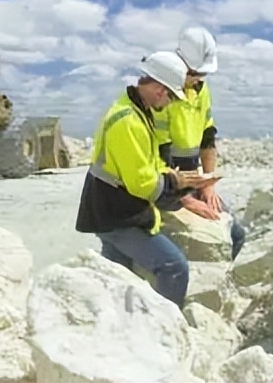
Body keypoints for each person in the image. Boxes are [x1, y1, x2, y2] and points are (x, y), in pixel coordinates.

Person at [75, 51, 211, 308]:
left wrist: (171, 173)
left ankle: (119, 329)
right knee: (174, 267)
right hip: (116, 214)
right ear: (160, 90)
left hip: (110, 208)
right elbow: (143, 184)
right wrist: (179, 186)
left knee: (117, 280)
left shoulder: (136, 111)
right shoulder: (128, 121)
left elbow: (147, 163)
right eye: (171, 96)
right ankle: (164, 332)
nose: (170, 102)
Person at [155, 26, 246, 260]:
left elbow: (207, 138)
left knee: (236, 234)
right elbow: (157, 154)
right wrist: (182, 198)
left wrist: (207, 184)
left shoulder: (201, 91)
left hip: (191, 179)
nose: (197, 79)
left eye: (201, 75)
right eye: (194, 73)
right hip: (162, 182)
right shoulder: (161, 93)